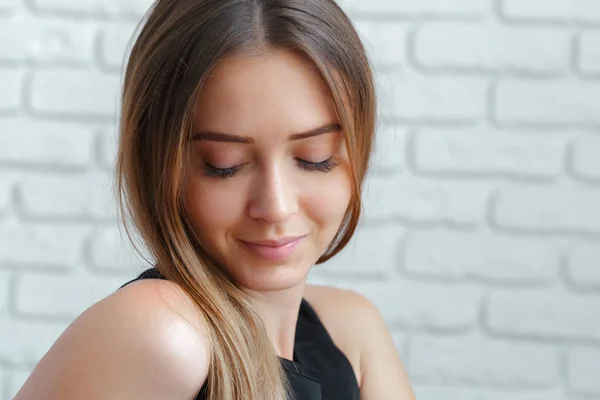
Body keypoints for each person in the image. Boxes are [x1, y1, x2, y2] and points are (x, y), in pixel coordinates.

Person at [14, 0, 415, 399]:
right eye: (225, 165)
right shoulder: (162, 332)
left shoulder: (354, 332)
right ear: (158, 164)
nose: (276, 206)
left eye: (316, 158)